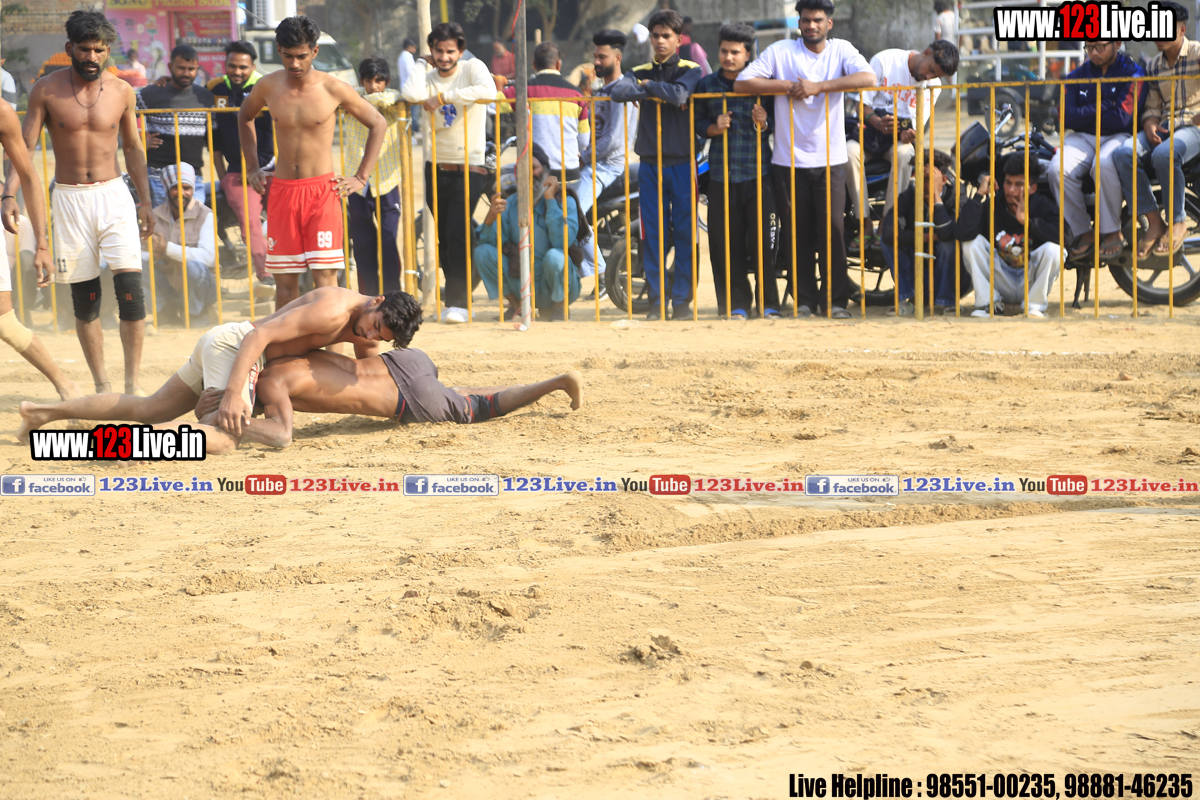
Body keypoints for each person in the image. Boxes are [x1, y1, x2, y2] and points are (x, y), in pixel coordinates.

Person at [17, 287, 411, 451]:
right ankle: (120, 446)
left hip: (226, 344)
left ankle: (41, 412)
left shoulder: (364, 326)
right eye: (374, 325)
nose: (370, 335)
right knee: (224, 438)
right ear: (377, 300)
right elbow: (258, 336)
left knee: (149, 409)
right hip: (237, 347)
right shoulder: (333, 310)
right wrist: (235, 395)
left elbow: (366, 372)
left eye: (381, 335)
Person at [4, 11, 154, 395]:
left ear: (108, 50)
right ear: (69, 47)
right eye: (85, 49)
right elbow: (25, 147)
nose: (92, 57)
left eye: (99, 50)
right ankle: (102, 387)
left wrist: (146, 202)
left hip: (114, 196)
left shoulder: (122, 91)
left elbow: (133, 148)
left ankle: (133, 387)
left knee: (131, 293)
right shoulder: (46, 90)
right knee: (85, 300)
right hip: (69, 199)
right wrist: (9, 193)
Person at [735, 0, 876, 319]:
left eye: (817, 20)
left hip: (831, 160)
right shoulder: (781, 51)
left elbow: (869, 78)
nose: (811, 25)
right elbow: (742, 83)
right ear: (798, 22)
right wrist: (788, 86)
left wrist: (818, 87)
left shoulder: (841, 50)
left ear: (829, 23)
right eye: (806, 20)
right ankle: (804, 301)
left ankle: (835, 302)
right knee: (796, 234)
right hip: (788, 161)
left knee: (833, 233)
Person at [238, 16, 387, 313]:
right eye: (288, 56)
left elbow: (378, 123)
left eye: (302, 56)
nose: (294, 64)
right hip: (283, 193)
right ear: (279, 51)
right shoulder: (268, 86)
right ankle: (286, 341)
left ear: (314, 52)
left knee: (326, 283)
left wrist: (361, 176)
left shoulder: (333, 88)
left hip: (322, 192)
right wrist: (253, 167)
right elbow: (245, 116)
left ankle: (327, 343)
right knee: (285, 285)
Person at [611, 8, 704, 320]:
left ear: (679, 39)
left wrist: (648, 87)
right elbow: (619, 92)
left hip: (683, 163)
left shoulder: (691, 69)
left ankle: (682, 302)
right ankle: (656, 302)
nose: (660, 41)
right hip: (650, 163)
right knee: (652, 235)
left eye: (666, 36)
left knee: (686, 235)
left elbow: (680, 95)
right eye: (655, 36)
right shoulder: (638, 69)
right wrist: (650, 86)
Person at [401, 22, 497, 324]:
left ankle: (460, 303)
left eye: (450, 51)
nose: (444, 57)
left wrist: (443, 98)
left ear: (461, 50)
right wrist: (421, 62)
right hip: (436, 166)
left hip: (470, 165)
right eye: (439, 51)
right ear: (432, 50)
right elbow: (410, 92)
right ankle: (455, 301)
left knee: (457, 233)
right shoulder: (428, 76)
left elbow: (489, 90)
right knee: (445, 236)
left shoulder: (472, 68)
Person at [694, 23, 780, 318]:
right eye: (724, 51)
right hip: (721, 175)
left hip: (760, 174)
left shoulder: (763, 85)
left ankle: (769, 304)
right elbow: (697, 124)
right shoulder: (706, 85)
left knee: (764, 244)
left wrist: (764, 122)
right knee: (725, 245)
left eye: (735, 52)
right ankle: (736, 305)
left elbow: (778, 124)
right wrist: (713, 128)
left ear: (747, 55)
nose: (728, 57)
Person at [0, 92, 80, 400]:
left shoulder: (3, 113)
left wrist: (42, 246)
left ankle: (66, 386)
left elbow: (29, 177)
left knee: (5, 323)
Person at [1113, 1, 1199, 260]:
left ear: (1182, 29)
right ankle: (1154, 221)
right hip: (1164, 126)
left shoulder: (1197, 53)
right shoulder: (1153, 66)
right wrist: (1149, 123)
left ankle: (1178, 221)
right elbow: (1152, 106)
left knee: (1164, 154)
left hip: (1193, 128)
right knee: (1122, 154)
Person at [845, 40, 956, 234]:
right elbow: (861, 105)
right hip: (870, 133)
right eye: (930, 69)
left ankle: (887, 222)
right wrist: (877, 122)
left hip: (896, 141)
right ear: (926, 52)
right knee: (849, 152)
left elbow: (918, 124)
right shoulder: (885, 61)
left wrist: (909, 134)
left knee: (906, 155)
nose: (928, 77)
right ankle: (864, 221)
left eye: (935, 75)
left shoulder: (933, 85)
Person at [1047, 40, 1143, 260]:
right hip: (1082, 137)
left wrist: (1085, 113)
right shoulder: (1076, 76)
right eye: (1089, 47)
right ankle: (1083, 232)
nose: (1094, 52)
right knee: (1056, 169)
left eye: (1100, 46)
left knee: (1104, 164)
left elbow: (1123, 118)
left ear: (1117, 43)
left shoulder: (1133, 73)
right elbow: (1065, 117)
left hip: (1118, 135)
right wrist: (1104, 105)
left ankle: (1112, 231)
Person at [475, 143, 584, 320]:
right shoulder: (511, 203)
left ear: (546, 171)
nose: (528, 174)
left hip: (556, 285)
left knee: (555, 256)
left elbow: (562, 241)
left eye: (533, 168)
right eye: (522, 169)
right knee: (482, 252)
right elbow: (490, 243)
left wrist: (550, 201)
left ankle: (560, 307)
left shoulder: (564, 201)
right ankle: (518, 307)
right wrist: (490, 219)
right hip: (521, 283)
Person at [956, 154, 1063, 318]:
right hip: (1001, 279)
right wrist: (979, 195)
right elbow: (962, 233)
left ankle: (1034, 306)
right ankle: (989, 304)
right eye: (1008, 183)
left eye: (1019, 184)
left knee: (1054, 250)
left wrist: (1028, 223)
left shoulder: (1042, 205)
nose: (1011, 190)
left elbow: (1067, 238)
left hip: (1030, 280)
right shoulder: (994, 205)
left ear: (1032, 188)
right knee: (971, 243)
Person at [209, 40, 274, 282]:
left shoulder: (268, 87)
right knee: (249, 223)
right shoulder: (215, 90)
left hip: (273, 168)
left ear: (253, 67)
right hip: (238, 172)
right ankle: (266, 274)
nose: (237, 71)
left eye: (243, 67)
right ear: (225, 65)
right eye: (232, 66)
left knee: (286, 220)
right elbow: (214, 141)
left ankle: (294, 274)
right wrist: (224, 176)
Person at [880, 148, 966, 315]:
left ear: (943, 179)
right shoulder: (908, 196)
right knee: (888, 242)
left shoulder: (956, 197)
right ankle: (911, 299)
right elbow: (888, 233)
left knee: (949, 244)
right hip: (920, 275)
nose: (923, 185)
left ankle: (948, 301)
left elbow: (947, 234)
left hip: (951, 278)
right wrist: (927, 237)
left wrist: (936, 197)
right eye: (919, 179)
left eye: (929, 179)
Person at [347, 57, 406, 297]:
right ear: (362, 81)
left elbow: (388, 98)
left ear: (387, 81)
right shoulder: (351, 98)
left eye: (379, 81)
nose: (374, 87)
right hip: (357, 183)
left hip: (386, 180)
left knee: (389, 240)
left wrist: (359, 100)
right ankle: (368, 298)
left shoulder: (393, 100)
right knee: (362, 243)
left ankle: (392, 297)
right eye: (369, 81)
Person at [138, 44, 215, 208]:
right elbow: (121, 118)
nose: (186, 73)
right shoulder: (150, 94)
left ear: (197, 69)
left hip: (193, 177)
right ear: (170, 66)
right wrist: (140, 139)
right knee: (164, 222)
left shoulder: (206, 98)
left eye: (191, 69)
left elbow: (216, 136)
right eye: (181, 68)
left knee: (193, 220)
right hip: (158, 176)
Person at [503, 42, 590, 183]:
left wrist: (498, 86)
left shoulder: (524, 90)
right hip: (569, 173)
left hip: (537, 175)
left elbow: (491, 104)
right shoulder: (577, 94)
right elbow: (584, 141)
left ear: (534, 65)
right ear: (559, 64)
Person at [141, 163, 217, 324]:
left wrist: (167, 249)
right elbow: (140, 254)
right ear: (167, 189)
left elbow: (209, 257)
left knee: (193, 267)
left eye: (187, 188)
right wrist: (154, 254)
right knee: (138, 264)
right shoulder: (155, 215)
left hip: (202, 288)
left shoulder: (206, 215)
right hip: (168, 284)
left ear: (193, 190)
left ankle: (197, 314)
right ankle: (165, 314)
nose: (181, 193)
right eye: (175, 188)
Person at [579, 29, 638, 214]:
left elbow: (615, 139)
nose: (596, 62)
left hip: (606, 165)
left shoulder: (623, 89)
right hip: (593, 162)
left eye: (602, 57)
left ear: (618, 58)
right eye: (595, 56)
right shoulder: (602, 91)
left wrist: (584, 158)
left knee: (571, 214)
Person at [932, 0, 958, 92]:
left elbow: (938, 38)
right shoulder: (955, 15)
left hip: (944, 50)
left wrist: (936, 50)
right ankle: (954, 93)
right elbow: (961, 34)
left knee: (939, 72)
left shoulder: (939, 18)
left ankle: (953, 94)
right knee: (950, 73)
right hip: (955, 49)